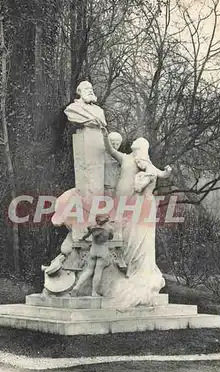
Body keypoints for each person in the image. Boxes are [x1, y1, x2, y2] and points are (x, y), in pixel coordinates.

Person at [101, 130, 172, 308]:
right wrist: (104, 135)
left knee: (134, 239)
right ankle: (125, 266)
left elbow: (157, 173)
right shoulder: (125, 158)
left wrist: (165, 172)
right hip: (122, 203)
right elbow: (110, 150)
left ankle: (134, 272)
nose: (140, 155)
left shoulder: (144, 164)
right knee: (124, 236)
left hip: (136, 206)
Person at [70, 215, 113, 297]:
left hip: (93, 251)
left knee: (88, 270)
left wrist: (83, 238)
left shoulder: (92, 227)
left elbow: (85, 236)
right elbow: (110, 237)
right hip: (102, 251)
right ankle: (94, 292)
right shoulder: (109, 228)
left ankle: (76, 287)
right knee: (98, 272)